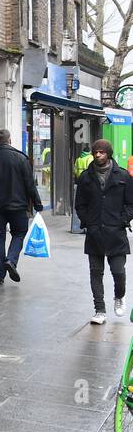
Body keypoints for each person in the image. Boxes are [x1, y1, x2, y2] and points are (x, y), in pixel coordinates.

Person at [74, 139, 133, 325]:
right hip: (95, 232)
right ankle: (99, 309)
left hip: (116, 233)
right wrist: (88, 222)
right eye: (96, 152)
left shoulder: (123, 176)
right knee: (95, 271)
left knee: (118, 272)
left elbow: (131, 204)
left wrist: (123, 220)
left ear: (109, 153)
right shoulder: (85, 177)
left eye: (101, 152)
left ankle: (119, 296)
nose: (98, 155)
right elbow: (80, 204)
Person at [0, 128, 44, 286]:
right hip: (18, 207)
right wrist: (37, 203)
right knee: (19, 233)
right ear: (10, 140)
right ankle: (11, 260)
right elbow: (30, 184)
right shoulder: (21, 159)